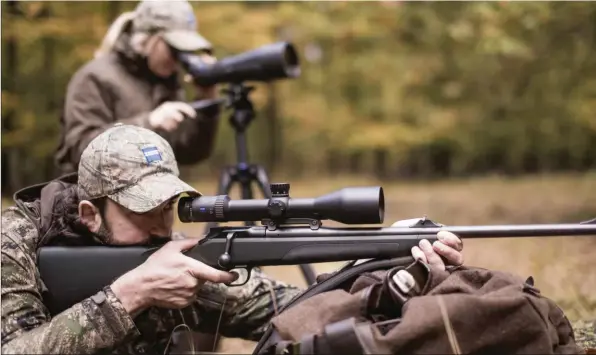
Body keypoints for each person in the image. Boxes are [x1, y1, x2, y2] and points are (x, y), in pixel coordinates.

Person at [1, 124, 465, 354]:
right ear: (90, 214)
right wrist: (128, 295)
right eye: (143, 212)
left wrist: (384, 266)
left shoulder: (168, 258)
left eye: (168, 207)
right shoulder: (14, 245)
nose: (161, 228)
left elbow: (290, 306)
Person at [54, 0, 220, 176]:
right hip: (96, 200)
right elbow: (78, 151)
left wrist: (206, 99)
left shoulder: (166, 83)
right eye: (173, 49)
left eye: (184, 51)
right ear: (147, 39)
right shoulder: (94, 77)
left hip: (152, 198)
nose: (177, 60)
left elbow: (190, 153)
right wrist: (149, 123)